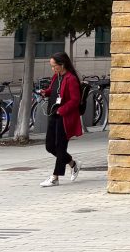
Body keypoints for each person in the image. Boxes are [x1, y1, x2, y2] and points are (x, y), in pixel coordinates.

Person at [39, 52, 83, 187]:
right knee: (50, 146)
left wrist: (62, 109)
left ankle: (55, 177)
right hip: (53, 114)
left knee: (60, 147)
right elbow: (53, 91)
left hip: (64, 117)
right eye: (52, 66)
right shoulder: (56, 77)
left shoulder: (71, 79)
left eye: (54, 66)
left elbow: (75, 100)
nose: (53, 69)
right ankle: (73, 164)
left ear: (62, 65)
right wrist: (45, 92)